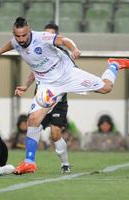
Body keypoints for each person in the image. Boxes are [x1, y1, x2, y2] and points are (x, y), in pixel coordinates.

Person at [0, 17, 129, 174]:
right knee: (33, 119)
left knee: (106, 88)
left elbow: (65, 40)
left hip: (66, 74)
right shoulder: (16, 41)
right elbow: (12, 44)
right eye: (18, 36)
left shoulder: (42, 37)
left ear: (29, 31)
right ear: (14, 33)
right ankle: (29, 162)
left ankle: (114, 65)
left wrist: (74, 50)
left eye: (24, 35)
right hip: (47, 85)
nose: (21, 39)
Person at [28, 23, 72, 173]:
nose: (46, 37)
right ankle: (29, 163)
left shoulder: (62, 54)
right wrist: (26, 86)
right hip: (42, 100)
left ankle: (65, 164)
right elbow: (34, 71)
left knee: (55, 134)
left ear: (56, 36)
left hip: (58, 101)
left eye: (51, 34)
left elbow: (73, 72)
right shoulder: (38, 52)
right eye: (45, 34)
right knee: (33, 128)